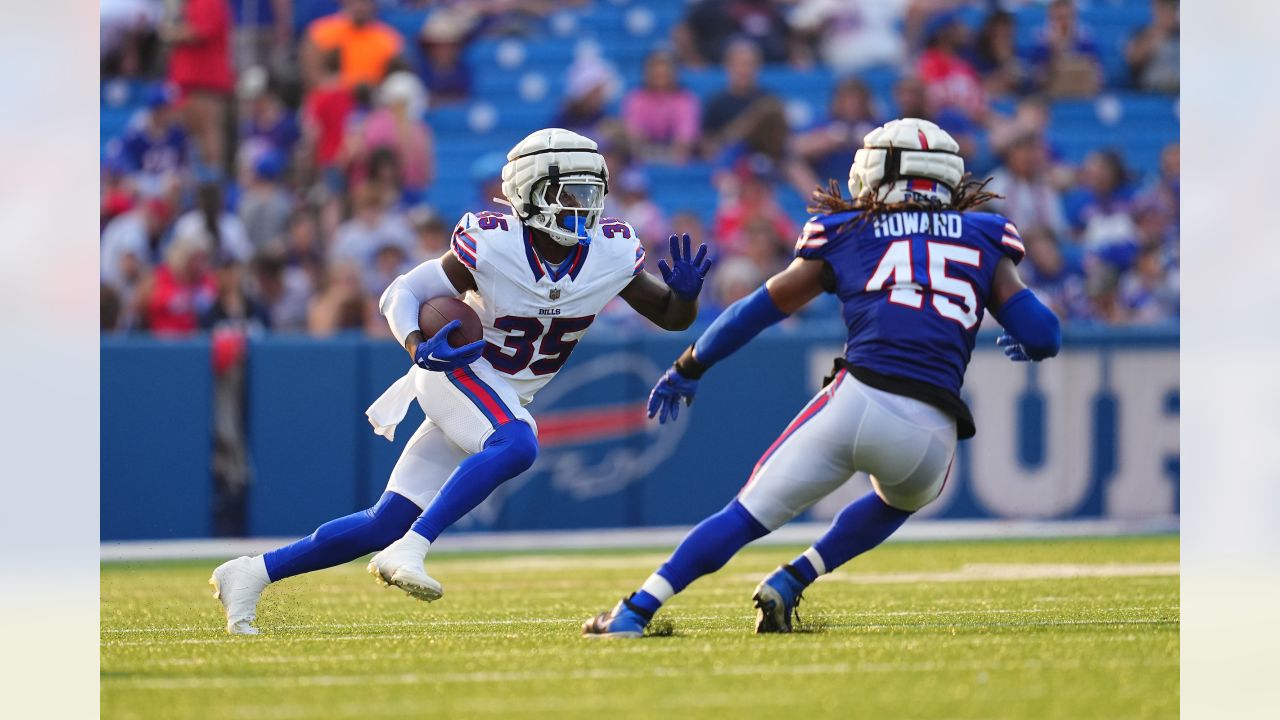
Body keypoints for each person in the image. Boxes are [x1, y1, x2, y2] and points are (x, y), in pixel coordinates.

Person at [210, 128, 716, 634]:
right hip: (458, 371)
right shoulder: (495, 244)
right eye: (572, 193)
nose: (585, 207)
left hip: (502, 393)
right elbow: (402, 293)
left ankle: (251, 573)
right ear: (533, 192)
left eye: (592, 193)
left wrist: (687, 296)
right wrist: (416, 345)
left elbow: (672, 318)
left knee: (383, 521)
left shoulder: (611, 252)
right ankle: (412, 547)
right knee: (517, 443)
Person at [583, 118, 1061, 638]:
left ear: (876, 172)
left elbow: (757, 310)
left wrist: (689, 364)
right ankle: (793, 578)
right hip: (931, 431)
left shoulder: (850, 229)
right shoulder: (985, 234)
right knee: (900, 500)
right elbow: (1043, 333)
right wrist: (1026, 340)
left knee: (745, 514)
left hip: (859, 398)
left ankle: (635, 612)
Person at [622, 50, 701, 165]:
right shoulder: (636, 98)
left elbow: (686, 134)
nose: (660, 73)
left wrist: (675, 153)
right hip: (643, 154)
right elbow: (634, 131)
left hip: (678, 159)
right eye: (656, 71)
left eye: (665, 71)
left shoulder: (686, 99)